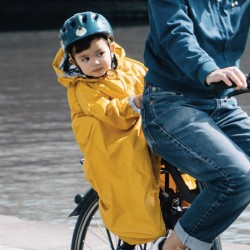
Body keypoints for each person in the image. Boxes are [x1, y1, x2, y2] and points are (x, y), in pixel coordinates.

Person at [52, 11, 166, 248]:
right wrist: (134, 103)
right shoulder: (82, 88)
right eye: (85, 59)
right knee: (133, 186)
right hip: (116, 143)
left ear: (112, 48)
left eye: (100, 54)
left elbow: (156, 84)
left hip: (148, 132)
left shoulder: (132, 68)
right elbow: (107, 112)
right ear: (73, 62)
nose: (94, 62)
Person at [142, 1, 250, 250]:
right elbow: (176, 33)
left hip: (222, 102)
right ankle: (171, 247)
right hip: (169, 102)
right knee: (239, 177)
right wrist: (207, 70)